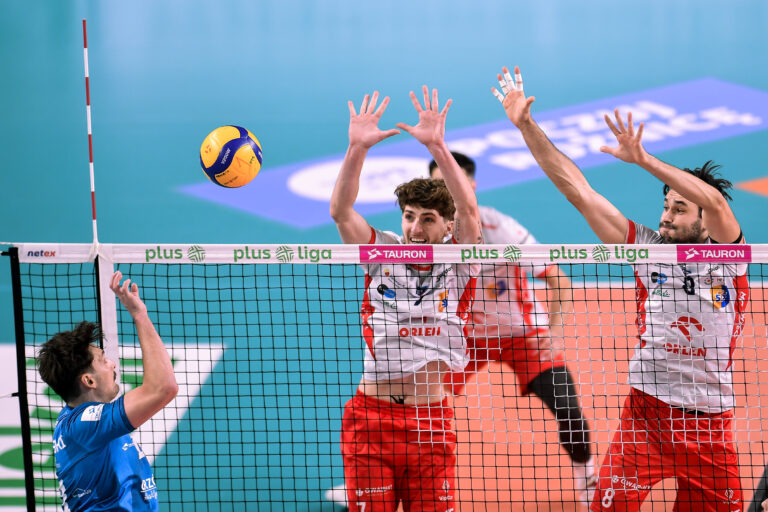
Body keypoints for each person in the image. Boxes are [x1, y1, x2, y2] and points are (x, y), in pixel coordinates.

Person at [492, 65, 748, 511]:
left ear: (705, 221)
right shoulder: (647, 249)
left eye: (680, 208)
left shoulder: (730, 256)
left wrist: (645, 160)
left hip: (709, 425)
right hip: (645, 419)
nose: (666, 216)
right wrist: (527, 126)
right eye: (665, 205)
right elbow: (579, 191)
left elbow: (716, 201)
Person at [329, 86, 482, 512]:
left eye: (427, 219)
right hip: (371, 421)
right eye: (409, 217)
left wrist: (437, 146)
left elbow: (469, 212)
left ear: (447, 226)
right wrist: (357, 148)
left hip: (430, 423)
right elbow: (341, 212)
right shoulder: (383, 253)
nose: (415, 229)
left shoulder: (460, 260)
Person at [430, 151, 596, 505]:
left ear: (470, 186)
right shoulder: (428, 235)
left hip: (521, 334)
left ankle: (587, 475)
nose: (446, 191)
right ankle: (389, 471)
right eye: (438, 184)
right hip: (463, 339)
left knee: (567, 406)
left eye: (452, 183)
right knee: (411, 400)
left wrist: (554, 332)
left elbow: (559, 281)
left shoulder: (501, 229)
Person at [37, 271, 178, 511]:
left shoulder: (83, 421)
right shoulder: (84, 425)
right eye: (103, 360)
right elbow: (164, 387)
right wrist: (139, 315)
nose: (112, 364)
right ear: (89, 381)